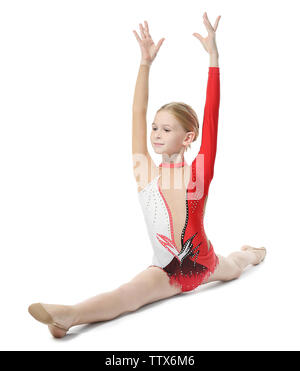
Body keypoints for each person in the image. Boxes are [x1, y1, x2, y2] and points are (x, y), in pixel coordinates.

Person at [28, 12, 266, 338]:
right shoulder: (145, 172)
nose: (155, 134)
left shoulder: (198, 172)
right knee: (128, 295)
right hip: (168, 273)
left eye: (166, 129)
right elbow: (137, 112)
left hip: (205, 263)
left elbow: (212, 115)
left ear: (188, 137)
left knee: (236, 266)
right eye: (155, 128)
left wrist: (213, 57)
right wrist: (145, 64)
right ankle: (69, 315)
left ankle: (252, 252)